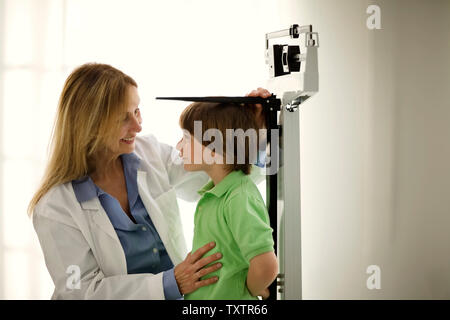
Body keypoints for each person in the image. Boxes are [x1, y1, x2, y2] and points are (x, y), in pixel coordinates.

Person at [27, 63, 271, 299]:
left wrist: (252, 131)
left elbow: (217, 172)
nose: (138, 126)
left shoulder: (150, 154)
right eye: (123, 118)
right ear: (89, 125)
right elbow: (80, 291)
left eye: (136, 111)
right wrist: (170, 283)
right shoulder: (54, 208)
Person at [176, 101, 278, 300]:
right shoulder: (214, 195)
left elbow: (266, 265)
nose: (179, 146)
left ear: (215, 147)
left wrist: (244, 292)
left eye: (186, 138)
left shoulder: (239, 198)